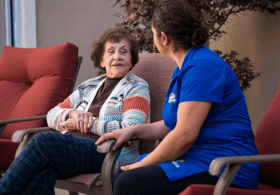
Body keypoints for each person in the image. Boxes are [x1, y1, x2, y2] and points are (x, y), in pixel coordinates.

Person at [95, 0, 260, 194]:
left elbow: (184, 135)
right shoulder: (185, 68)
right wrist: (131, 130)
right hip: (199, 159)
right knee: (123, 178)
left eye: (153, 33)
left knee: (129, 182)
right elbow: (171, 124)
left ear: (163, 38)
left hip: (225, 167)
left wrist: (143, 164)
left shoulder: (202, 67)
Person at [0, 26, 150, 195]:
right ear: (101, 60)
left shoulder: (136, 87)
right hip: (73, 148)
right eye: (111, 52)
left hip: (108, 152)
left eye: (124, 52)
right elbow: (52, 114)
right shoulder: (89, 86)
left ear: (131, 59)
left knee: (44, 141)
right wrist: (72, 113)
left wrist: (88, 124)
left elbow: (132, 126)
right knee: (43, 173)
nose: (117, 56)